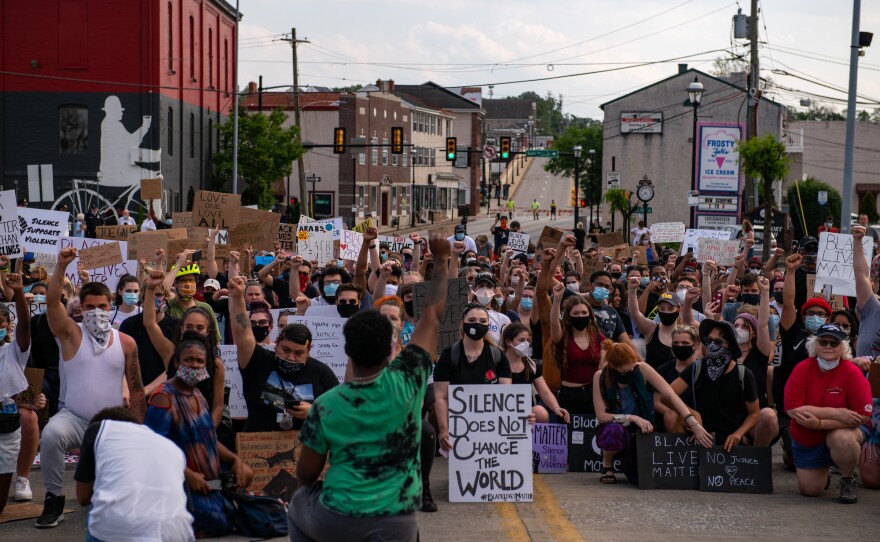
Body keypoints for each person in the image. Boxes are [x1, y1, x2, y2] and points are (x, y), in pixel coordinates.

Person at [290, 230, 452, 541]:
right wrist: (442, 262)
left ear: (347, 351)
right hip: (398, 520)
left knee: (299, 502)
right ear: (391, 348)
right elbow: (432, 316)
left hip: (337, 519)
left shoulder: (326, 405)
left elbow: (306, 474)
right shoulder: (409, 379)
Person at [38, 247, 143, 529]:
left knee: (107, 498)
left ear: (112, 306)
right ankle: (54, 497)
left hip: (111, 423)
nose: (96, 312)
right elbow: (51, 303)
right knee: (50, 435)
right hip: (74, 417)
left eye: (102, 307)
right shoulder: (71, 333)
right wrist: (61, 265)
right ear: (80, 308)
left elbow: (136, 390)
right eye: (89, 307)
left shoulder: (126, 343)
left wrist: (140, 427)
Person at [146, 333, 254, 536]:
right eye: (188, 360)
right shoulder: (163, 397)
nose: (194, 365)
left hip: (209, 478)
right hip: (180, 480)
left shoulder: (197, 394)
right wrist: (188, 475)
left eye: (199, 361)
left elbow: (208, 439)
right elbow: (154, 450)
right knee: (220, 522)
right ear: (177, 362)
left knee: (246, 475)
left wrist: (235, 460)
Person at [230, 275, 338, 433]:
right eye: (285, 350)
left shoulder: (320, 372)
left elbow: (342, 411)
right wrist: (238, 297)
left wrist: (315, 412)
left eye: (299, 353)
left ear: (309, 350)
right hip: (256, 449)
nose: (291, 357)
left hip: (303, 450)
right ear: (276, 344)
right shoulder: (258, 361)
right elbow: (242, 332)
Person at [594, 341, 713, 484]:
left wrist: (692, 422)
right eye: (626, 371)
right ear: (613, 367)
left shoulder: (642, 368)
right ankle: (607, 464)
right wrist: (632, 418)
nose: (632, 371)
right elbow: (601, 417)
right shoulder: (600, 377)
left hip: (642, 426)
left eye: (633, 367)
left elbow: (670, 395)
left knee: (639, 478)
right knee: (613, 431)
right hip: (616, 425)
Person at [74, 407, 194, 542]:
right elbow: (187, 508)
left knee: (97, 504)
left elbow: (83, 497)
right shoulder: (172, 448)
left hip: (117, 531)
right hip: (176, 533)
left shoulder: (99, 429)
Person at [784, 324, 873, 503]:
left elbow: (862, 416)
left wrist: (820, 423)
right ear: (815, 345)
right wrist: (837, 412)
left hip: (845, 430)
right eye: (823, 342)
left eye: (834, 343)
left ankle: (847, 479)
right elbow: (793, 409)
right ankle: (823, 471)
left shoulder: (852, 371)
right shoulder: (802, 368)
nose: (828, 346)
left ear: (843, 347)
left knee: (841, 439)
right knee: (810, 490)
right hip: (808, 434)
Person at [663, 320, 761, 452]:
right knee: (671, 416)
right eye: (709, 340)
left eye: (718, 342)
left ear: (730, 345)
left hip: (728, 436)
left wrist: (739, 433)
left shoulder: (743, 374)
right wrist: (692, 415)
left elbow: (755, 414)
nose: (712, 346)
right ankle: (684, 460)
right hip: (697, 430)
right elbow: (668, 395)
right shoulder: (698, 367)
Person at [143, 269, 226, 426]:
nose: (194, 331)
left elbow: (218, 405)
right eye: (189, 326)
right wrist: (150, 288)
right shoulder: (171, 353)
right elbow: (150, 324)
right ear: (181, 329)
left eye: (199, 327)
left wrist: (205, 432)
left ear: (208, 331)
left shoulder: (216, 365)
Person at [434, 304, 513, 451]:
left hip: (491, 428)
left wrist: (520, 416)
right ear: (462, 324)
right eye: (472, 320)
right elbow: (441, 397)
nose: (477, 324)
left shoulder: (498, 356)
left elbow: (506, 397)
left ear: (488, 325)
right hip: (460, 429)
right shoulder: (449, 356)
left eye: (482, 321)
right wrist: (444, 431)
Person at [0, 274, 33, 515]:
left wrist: (19, 292)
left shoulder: (13, 352)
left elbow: (25, 324)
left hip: (5, 422)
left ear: (7, 326)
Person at [502, 323, 569, 424]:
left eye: (527, 340)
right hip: (502, 411)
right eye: (521, 340)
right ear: (508, 342)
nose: (526, 344)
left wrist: (556, 408)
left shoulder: (531, 365)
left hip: (527, 412)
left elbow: (545, 391)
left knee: (540, 412)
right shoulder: (498, 362)